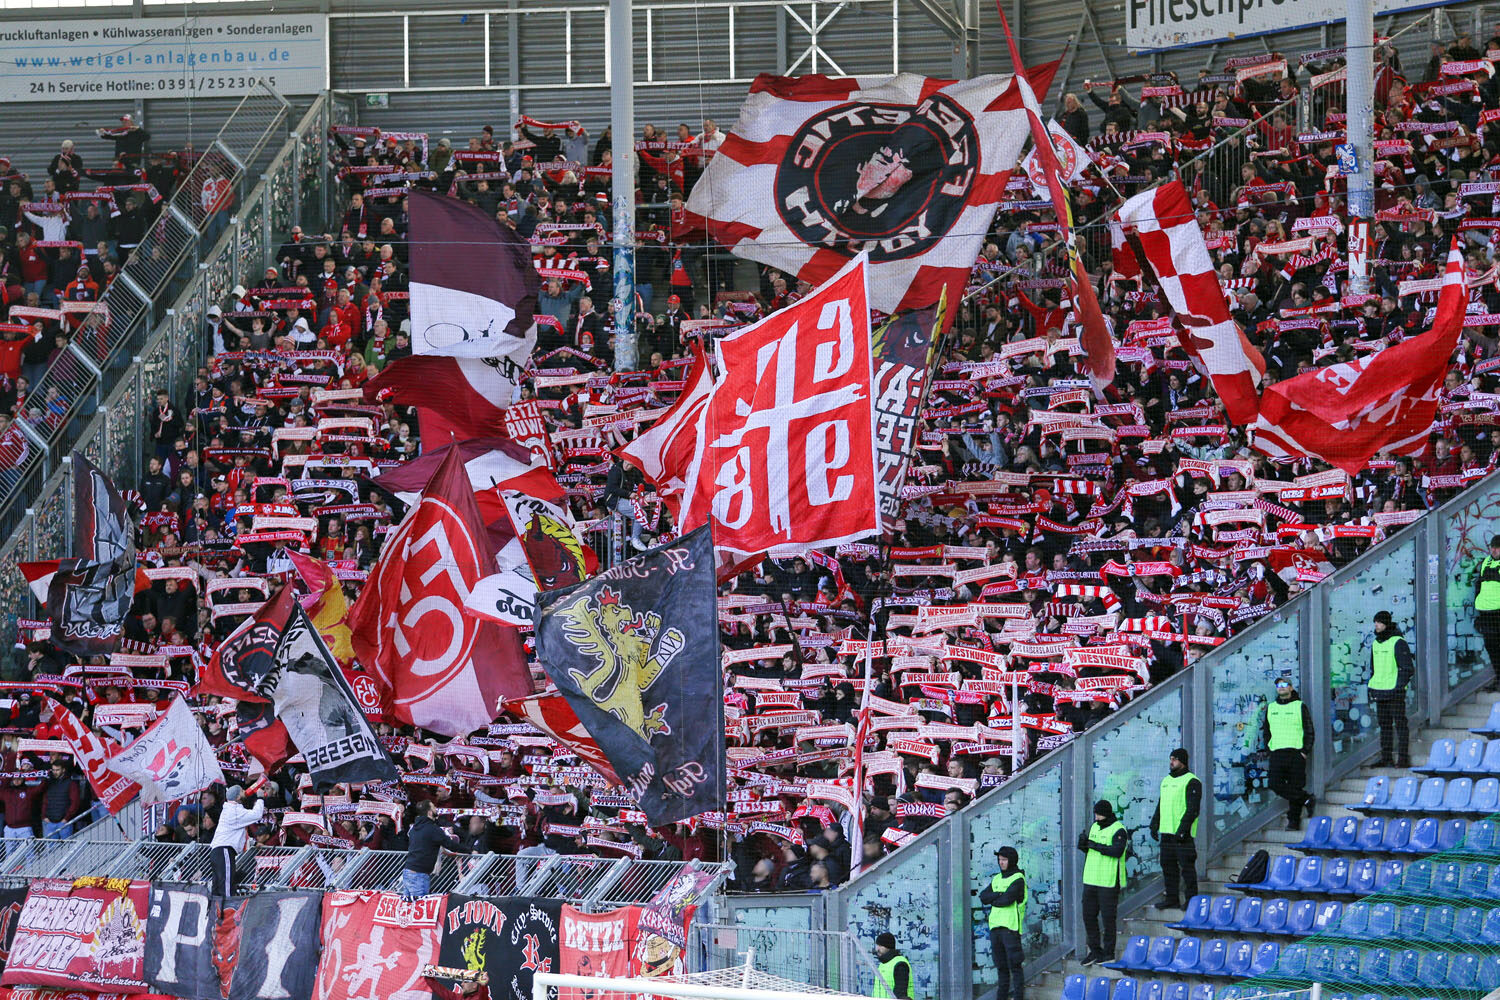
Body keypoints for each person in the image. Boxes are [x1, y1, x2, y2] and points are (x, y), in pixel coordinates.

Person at [1149, 748, 1201, 910]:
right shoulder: (1166, 780)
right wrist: (1155, 823)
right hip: (1166, 833)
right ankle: (1172, 898)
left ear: (1183, 761)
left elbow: (1193, 809)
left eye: (1175, 759)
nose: (1171, 762)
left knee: (1187, 868)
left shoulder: (1192, 781)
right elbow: (1161, 804)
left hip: (1182, 835)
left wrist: (1182, 830)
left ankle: (1191, 899)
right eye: (1171, 758)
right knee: (1168, 867)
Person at [1077, 799, 1127, 966]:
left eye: (1099, 814)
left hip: (1108, 881)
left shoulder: (1118, 829)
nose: (1097, 818)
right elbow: (1090, 850)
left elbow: (1117, 851)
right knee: (1088, 916)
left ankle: (1109, 952)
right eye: (1095, 814)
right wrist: (1083, 844)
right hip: (1091, 879)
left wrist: (1095, 845)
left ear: (1106, 814)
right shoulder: (1094, 827)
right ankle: (1095, 951)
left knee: (1108, 918)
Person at [1263, 677, 1316, 830]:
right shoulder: (1271, 707)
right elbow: (1266, 731)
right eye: (1278, 685)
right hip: (1277, 753)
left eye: (1285, 684)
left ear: (1291, 688)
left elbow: (1309, 730)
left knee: (1295, 785)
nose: (1281, 687)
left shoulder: (1300, 706)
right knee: (1274, 783)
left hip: (1295, 753)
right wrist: (1269, 749)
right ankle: (1306, 798)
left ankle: (1293, 821)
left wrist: (1304, 751)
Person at [980, 845, 1025, 1000]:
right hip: (995, 928)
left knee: (1015, 966)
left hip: (1010, 928)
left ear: (1011, 860)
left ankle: (1019, 997)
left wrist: (994, 898)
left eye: (1004, 860)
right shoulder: (997, 878)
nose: (1001, 863)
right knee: (1001, 967)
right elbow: (983, 897)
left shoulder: (1018, 878)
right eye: (999, 859)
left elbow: (1006, 900)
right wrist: (998, 894)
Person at [1370, 610, 1414, 768]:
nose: (1376, 625)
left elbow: (1407, 668)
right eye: (1375, 622)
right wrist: (1373, 687)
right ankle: (1386, 757)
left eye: (1379, 622)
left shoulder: (1398, 642)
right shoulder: (1375, 643)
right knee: (1385, 726)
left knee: (1400, 725)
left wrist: (1398, 687)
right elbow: (1373, 668)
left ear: (1386, 624)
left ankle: (1403, 758)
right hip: (1380, 691)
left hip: (1394, 692)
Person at [403, 800, 466, 898]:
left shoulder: (415, 827)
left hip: (408, 871)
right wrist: (468, 850)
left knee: (408, 907)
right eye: (434, 807)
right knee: (420, 907)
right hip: (419, 875)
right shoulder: (432, 829)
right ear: (429, 812)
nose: (436, 809)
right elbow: (450, 845)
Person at [209, 784, 263, 896]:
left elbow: (238, 833)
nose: (246, 793)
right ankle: (228, 910)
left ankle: (217, 910)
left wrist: (253, 842)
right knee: (226, 885)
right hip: (224, 850)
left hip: (219, 851)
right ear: (238, 797)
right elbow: (257, 814)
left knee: (218, 885)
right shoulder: (235, 811)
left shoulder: (231, 810)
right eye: (243, 791)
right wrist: (260, 799)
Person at [1473, 535, 1500, 692]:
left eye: (1497, 547)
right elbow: (1480, 584)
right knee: (1492, 648)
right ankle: (1498, 678)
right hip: (1486, 613)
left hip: (1498, 612)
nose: (1493, 550)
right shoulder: (1486, 562)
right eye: (1492, 547)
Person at [872, 932, 912, 999]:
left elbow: (901, 994)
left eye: (881, 946)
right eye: (877, 945)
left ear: (889, 947)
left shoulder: (900, 964)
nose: (877, 949)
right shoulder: (883, 964)